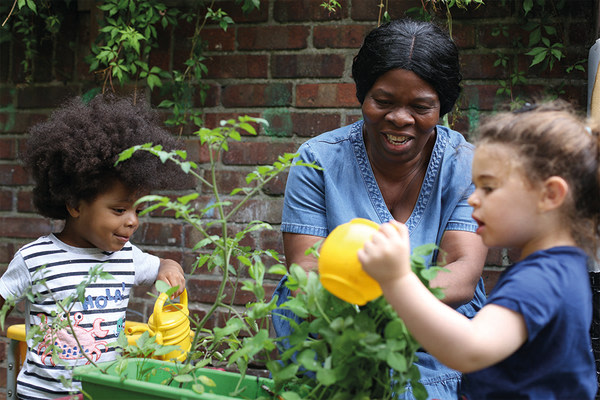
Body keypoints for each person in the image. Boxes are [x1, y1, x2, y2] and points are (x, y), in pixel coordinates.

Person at [272, 18, 488, 399]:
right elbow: (306, 270)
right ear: (362, 95)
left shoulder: (465, 167)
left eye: (421, 106)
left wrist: (391, 302)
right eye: (383, 101)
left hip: (433, 330)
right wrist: (368, 320)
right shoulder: (319, 160)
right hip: (333, 325)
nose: (400, 119)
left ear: (442, 106)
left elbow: (462, 275)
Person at [359, 100, 599, 399]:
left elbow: (471, 348)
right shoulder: (564, 268)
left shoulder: (541, 279)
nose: (473, 199)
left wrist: (397, 280)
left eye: (488, 187)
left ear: (549, 195)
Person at [0, 94, 187, 399]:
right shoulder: (35, 259)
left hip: (100, 393)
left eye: (138, 211)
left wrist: (170, 268)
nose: (132, 222)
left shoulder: (127, 257)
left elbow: (162, 266)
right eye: (119, 210)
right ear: (74, 204)